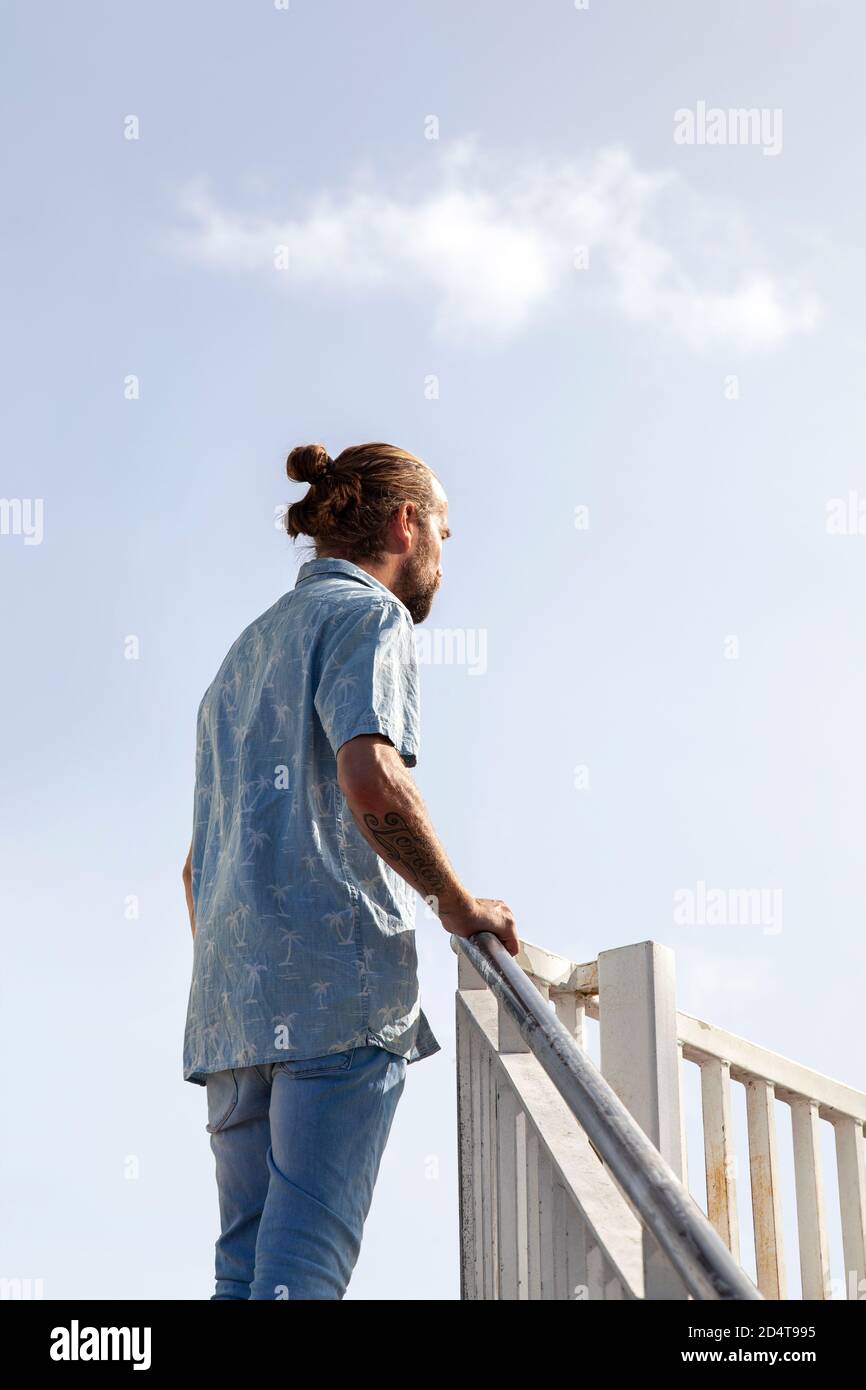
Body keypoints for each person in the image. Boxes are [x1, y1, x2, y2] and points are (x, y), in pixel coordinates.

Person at [181, 440, 519, 1300]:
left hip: (231, 1018)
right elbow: (370, 776)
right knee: (303, 1275)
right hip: (337, 998)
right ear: (406, 525)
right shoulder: (370, 616)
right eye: (445, 529)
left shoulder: (236, 663)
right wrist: (456, 902)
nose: (446, 551)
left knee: (243, 1272)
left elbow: (195, 870)